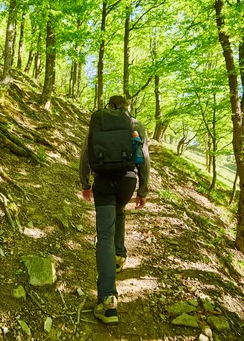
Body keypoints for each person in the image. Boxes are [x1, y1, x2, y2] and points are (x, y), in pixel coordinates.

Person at [79, 95, 150, 324]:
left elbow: (85, 154)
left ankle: (108, 300)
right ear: (127, 107)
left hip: (103, 182)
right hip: (127, 180)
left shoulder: (99, 121)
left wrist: (85, 183)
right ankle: (119, 255)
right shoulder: (135, 124)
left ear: (110, 106)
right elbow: (144, 159)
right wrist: (143, 190)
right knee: (119, 210)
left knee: (104, 235)